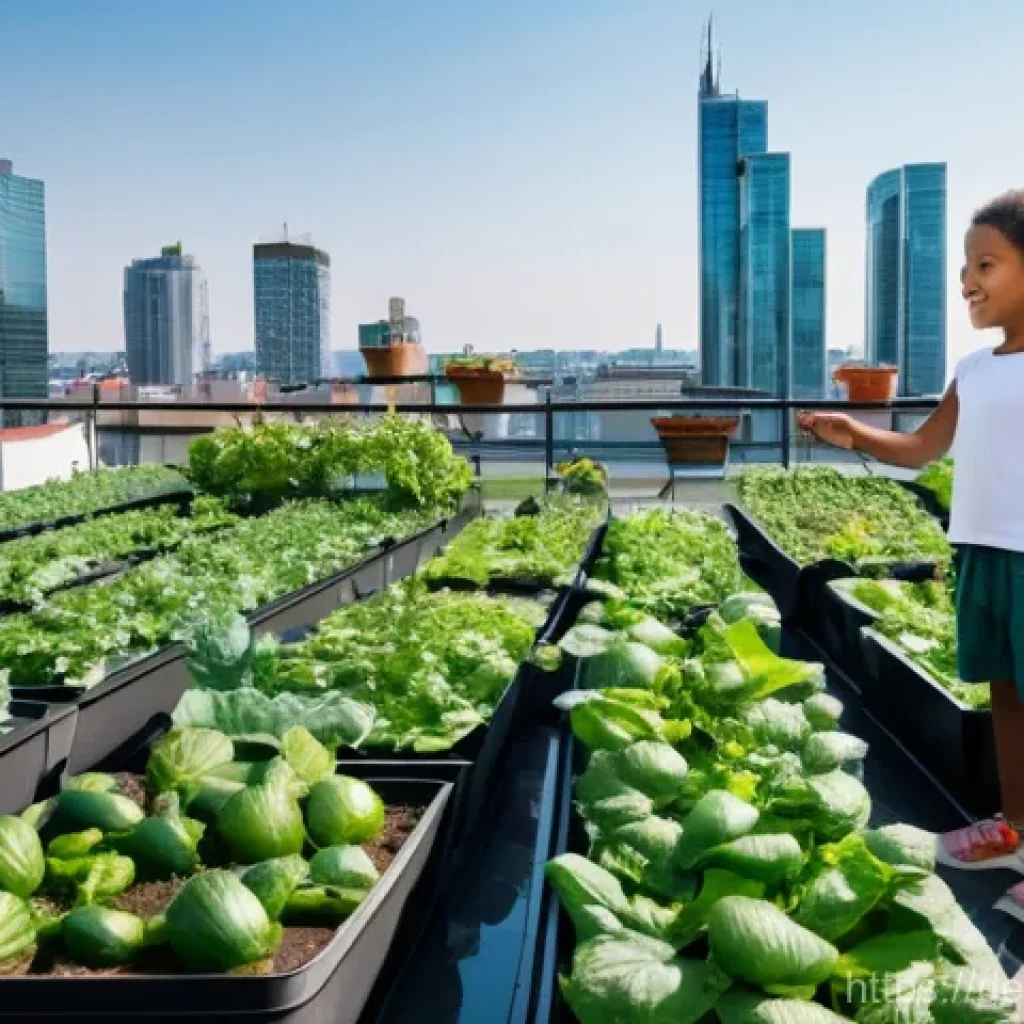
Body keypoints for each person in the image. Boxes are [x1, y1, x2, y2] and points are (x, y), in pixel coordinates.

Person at [799, 191, 1024, 914]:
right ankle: (1014, 831)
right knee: (1006, 699)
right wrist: (856, 434)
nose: (966, 282)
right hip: (983, 553)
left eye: (986, 264)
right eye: (964, 267)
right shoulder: (977, 368)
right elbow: (925, 448)